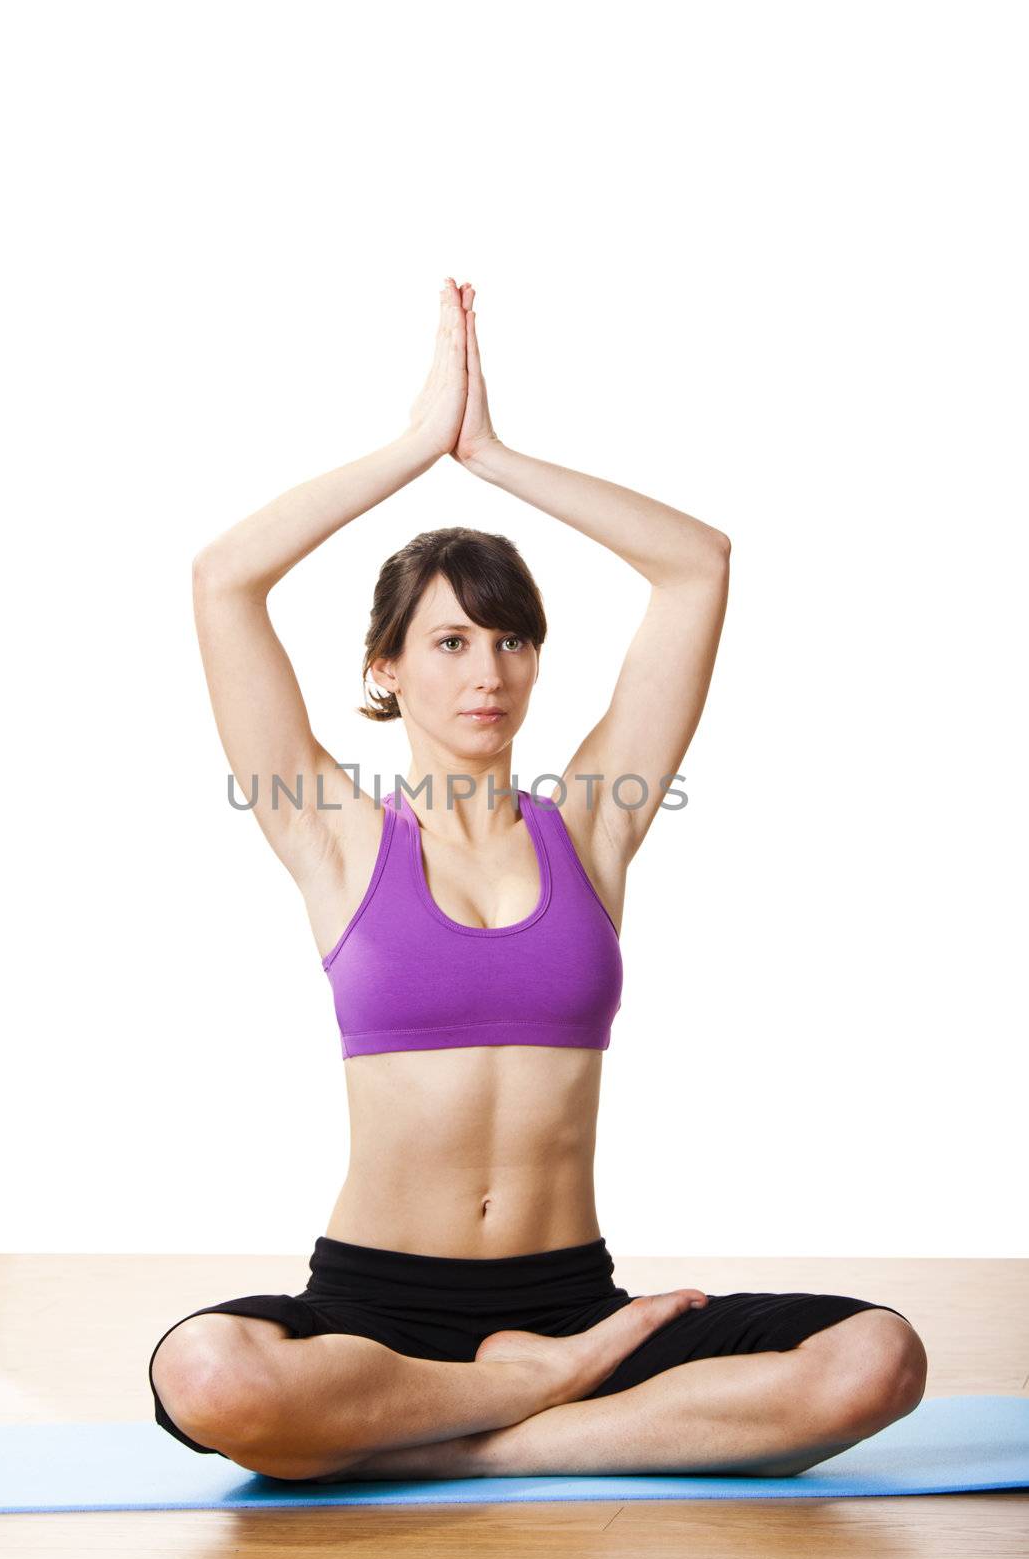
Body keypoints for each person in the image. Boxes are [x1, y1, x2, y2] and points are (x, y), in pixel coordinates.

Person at [148, 277, 927, 1482]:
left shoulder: (592, 827)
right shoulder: (335, 833)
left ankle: (479, 1431)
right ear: (386, 669)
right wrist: (418, 447)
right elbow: (221, 582)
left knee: (874, 1359)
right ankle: (494, 1399)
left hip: (568, 1300)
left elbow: (696, 567)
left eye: (511, 639)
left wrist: (494, 457)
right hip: (376, 1308)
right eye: (451, 641)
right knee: (210, 1374)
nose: (488, 671)